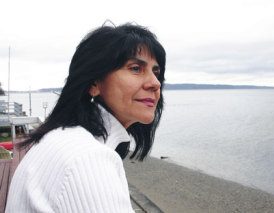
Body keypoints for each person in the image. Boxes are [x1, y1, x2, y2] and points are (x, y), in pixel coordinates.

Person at [5, 23, 166, 213]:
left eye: (156, 72)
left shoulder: (63, 137)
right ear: (94, 83)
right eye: (136, 68)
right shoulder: (88, 158)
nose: (155, 83)